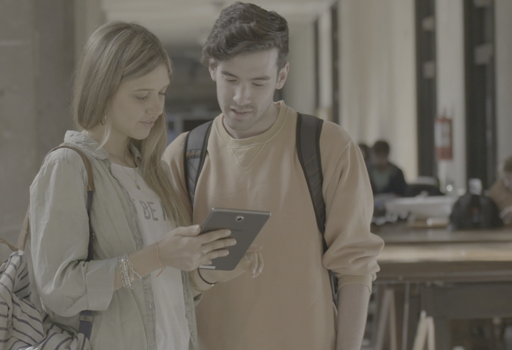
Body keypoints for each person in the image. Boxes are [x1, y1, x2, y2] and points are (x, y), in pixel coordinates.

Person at [25, 22, 263, 350]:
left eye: (162, 93)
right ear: (103, 89)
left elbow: (161, 295)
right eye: (142, 95)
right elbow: (59, 290)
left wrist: (208, 274)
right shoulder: (69, 167)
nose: (157, 107)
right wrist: (157, 255)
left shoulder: (155, 173)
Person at [162, 3, 384, 350]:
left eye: (259, 82)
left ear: (281, 77)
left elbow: (355, 268)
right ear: (212, 68)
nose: (241, 97)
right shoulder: (183, 156)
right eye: (230, 79)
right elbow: (166, 274)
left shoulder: (327, 146)